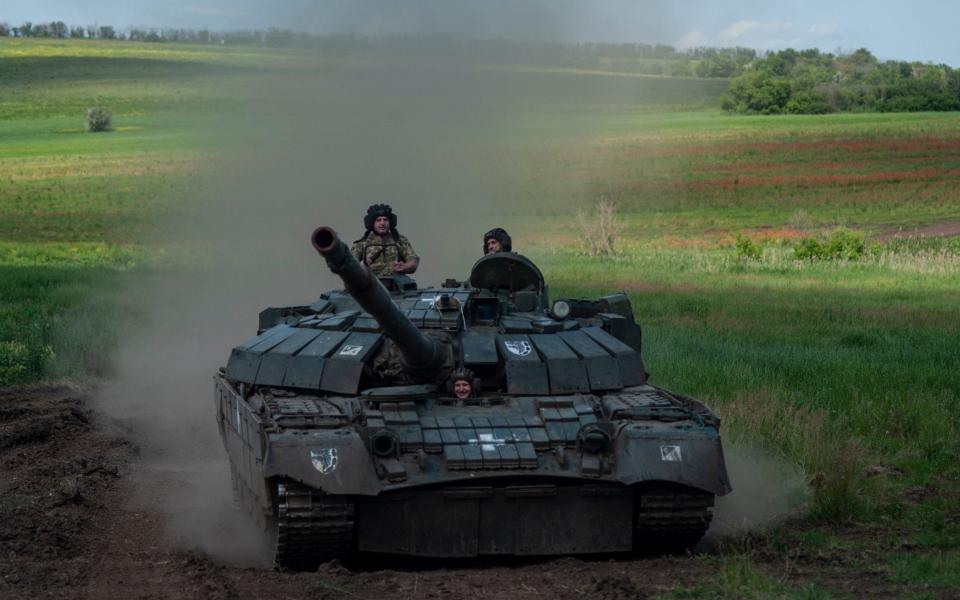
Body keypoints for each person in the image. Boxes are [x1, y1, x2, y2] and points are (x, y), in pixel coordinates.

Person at [351, 204, 419, 278]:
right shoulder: (362, 243)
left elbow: (413, 262)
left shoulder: (400, 241)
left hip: (396, 283)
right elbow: (350, 265)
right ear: (372, 223)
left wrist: (404, 267)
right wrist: (361, 268)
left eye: (385, 220)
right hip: (370, 283)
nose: (382, 223)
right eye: (378, 220)